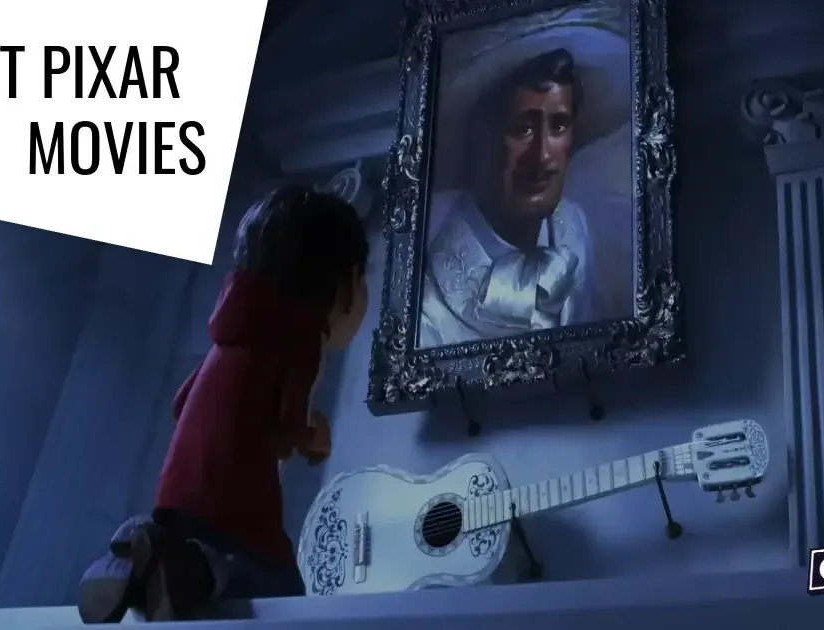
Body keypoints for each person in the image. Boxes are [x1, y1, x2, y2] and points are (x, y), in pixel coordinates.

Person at [78, 185, 369, 622]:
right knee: (279, 588)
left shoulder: (227, 338)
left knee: (218, 566)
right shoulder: (304, 337)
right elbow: (289, 425)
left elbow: (181, 403)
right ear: (345, 287)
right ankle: (186, 562)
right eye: (365, 279)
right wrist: (313, 437)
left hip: (178, 491)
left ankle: (139, 558)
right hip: (234, 498)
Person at [419, 43, 623, 347]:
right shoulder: (430, 305)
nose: (542, 156)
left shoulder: (573, 227)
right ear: (481, 140)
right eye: (522, 129)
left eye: (559, 126)